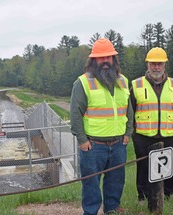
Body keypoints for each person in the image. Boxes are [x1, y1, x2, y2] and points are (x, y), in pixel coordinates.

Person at [70, 38, 134, 215]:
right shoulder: (82, 83)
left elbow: (128, 110)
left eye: (109, 57)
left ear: (114, 59)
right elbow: (75, 114)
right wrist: (82, 141)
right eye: (101, 58)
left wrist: (128, 133)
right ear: (93, 60)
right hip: (93, 146)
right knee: (91, 184)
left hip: (119, 144)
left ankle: (112, 210)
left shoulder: (122, 81)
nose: (105, 61)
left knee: (116, 180)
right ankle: (90, 212)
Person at [130, 47, 173, 204]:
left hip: (170, 135)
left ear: (165, 65)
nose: (156, 67)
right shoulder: (137, 85)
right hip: (143, 136)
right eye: (153, 64)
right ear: (147, 65)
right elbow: (131, 112)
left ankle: (170, 192)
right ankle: (143, 196)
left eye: (159, 64)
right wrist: (134, 134)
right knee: (143, 166)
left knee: (170, 165)